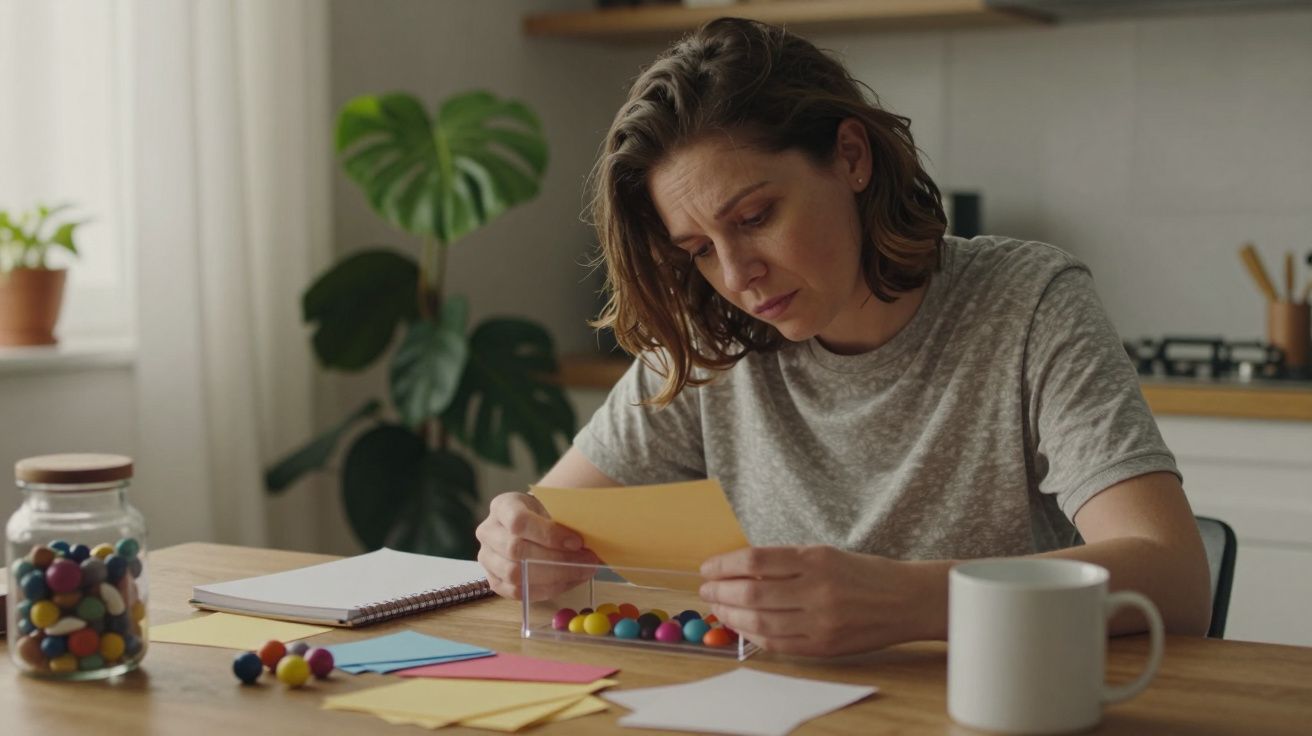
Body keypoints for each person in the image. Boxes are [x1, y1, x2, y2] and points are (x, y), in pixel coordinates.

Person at [475, 17, 1211, 657]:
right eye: (698, 248)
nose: (736, 276)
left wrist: (913, 600)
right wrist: (518, 537)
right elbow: (549, 521)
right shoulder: (711, 340)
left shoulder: (1027, 302)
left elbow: (1175, 580)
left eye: (756, 216)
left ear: (851, 157)